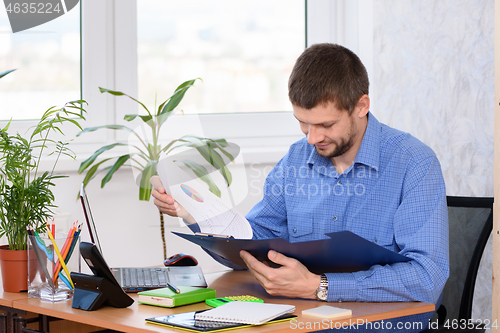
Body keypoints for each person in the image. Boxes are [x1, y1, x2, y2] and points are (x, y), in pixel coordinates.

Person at [151, 43, 449, 332]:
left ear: (361, 106)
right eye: (303, 124)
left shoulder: (414, 163)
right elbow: (253, 245)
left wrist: (320, 287)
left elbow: (427, 276)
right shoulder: (296, 158)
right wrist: (194, 213)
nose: (311, 138)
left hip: (380, 320)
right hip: (301, 315)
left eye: (326, 125)